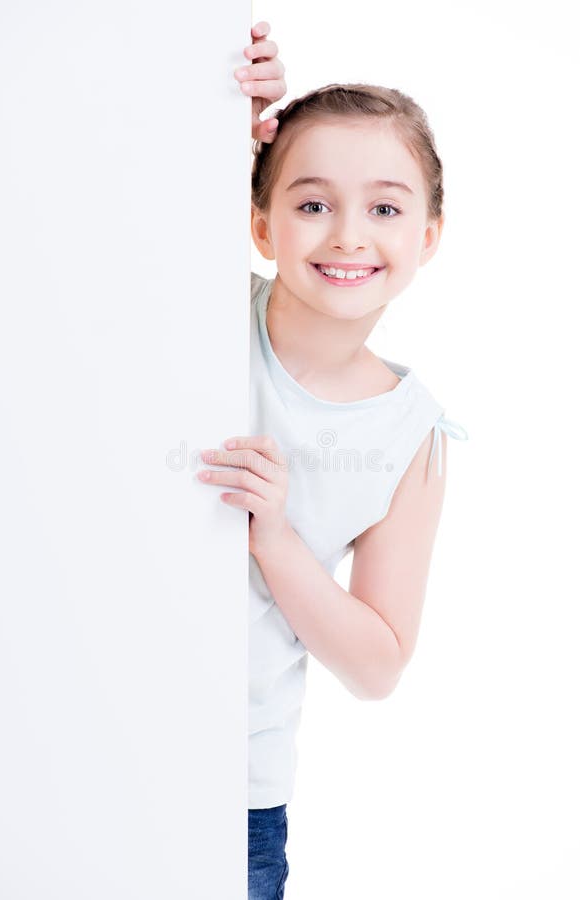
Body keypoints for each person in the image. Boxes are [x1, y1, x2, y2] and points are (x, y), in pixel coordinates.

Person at [199, 20, 469, 899]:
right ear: (260, 224)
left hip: (231, 796)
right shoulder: (198, 308)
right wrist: (215, 118)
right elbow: (101, 210)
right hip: (73, 723)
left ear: (427, 236)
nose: (347, 234)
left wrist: (275, 538)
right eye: (312, 203)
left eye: (385, 207)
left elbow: (378, 664)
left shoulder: (409, 434)